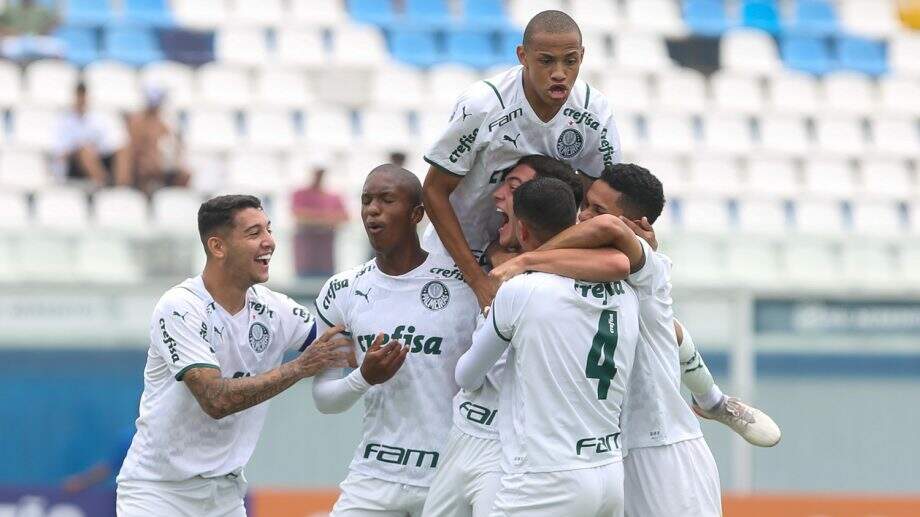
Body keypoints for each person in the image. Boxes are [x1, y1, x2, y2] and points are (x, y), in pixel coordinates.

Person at [493, 164, 781, 516]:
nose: (583, 217)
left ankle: (717, 403)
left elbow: (609, 232)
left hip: (662, 453)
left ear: (638, 226)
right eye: (585, 205)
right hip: (602, 460)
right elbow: (673, 332)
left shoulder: (648, 268)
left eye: (597, 210)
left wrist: (523, 262)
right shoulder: (567, 270)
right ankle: (714, 401)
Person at [116, 195, 353, 517]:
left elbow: (343, 347)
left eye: (268, 230)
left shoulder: (275, 309)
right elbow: (215, 400)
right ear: (217, 247)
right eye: (254, 233)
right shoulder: (180, 308)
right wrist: (299, 368)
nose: (269, 242)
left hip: (225, 496)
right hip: (159, 492)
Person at [422, 155, 623, 517]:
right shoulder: (501, 262)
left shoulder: (540, 284)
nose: (497, 195)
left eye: (514, 188)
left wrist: (520, 265)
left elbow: (467, 375)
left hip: (510, 443)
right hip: (464, 431)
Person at [422, 10, 621, 309]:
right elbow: (434, 190)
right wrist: (478, 279)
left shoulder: (594, 111)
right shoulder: (482, 105)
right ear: (522, 56)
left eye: (570, 60)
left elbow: (602, 203)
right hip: (456, 262)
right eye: (546, 60)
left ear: (582, 56)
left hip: (534, 264)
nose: (559, 73)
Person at [311, 165, 479, 517]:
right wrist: (363, 378)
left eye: (387, 200)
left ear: (417, 214)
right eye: (366, 200)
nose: (373, 209)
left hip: (447, 475)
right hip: (373, 475)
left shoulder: (463, 283)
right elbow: (325, 400)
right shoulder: (343, 290)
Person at [55, 82, 131, 188]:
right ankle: (105, 185)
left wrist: (94, 147)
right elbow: (60, 153)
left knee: (122, 150)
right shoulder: (63, 120)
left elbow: (108, 143)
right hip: (74, 165)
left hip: (96, 158)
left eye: (84, 96)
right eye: (79, 96)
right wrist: (80, 147)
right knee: (84, 152)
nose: (82, 100)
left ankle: (121, 188)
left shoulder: (97, 119)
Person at [126, 86, 191, 195]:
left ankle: (174, 200)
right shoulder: (137, 121)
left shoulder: (164, 122)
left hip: (161, 163)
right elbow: (134, 149)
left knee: (185, 174)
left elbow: (176, 146)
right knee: (146, 168)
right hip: (142, 163)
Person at [291, 165, 350, 277]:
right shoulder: (300, 193)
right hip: (305, 257)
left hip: (326, 258)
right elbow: (299, 216)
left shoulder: (333, 196)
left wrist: (312, 218)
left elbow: (345, 217)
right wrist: (328, 220)